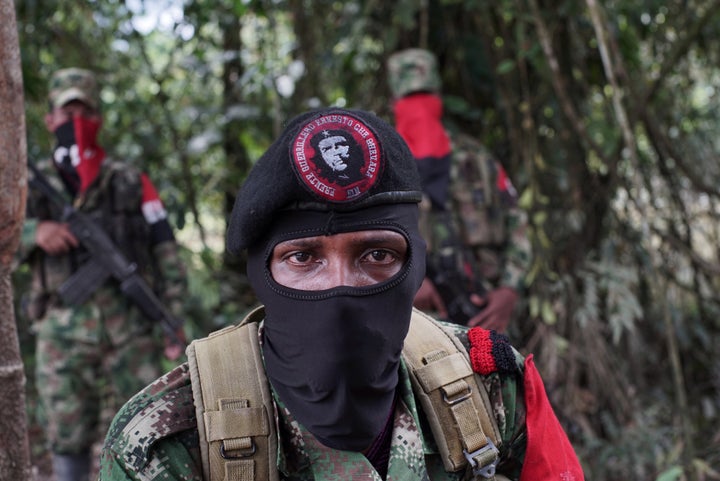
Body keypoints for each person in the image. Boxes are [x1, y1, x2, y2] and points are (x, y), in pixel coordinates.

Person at [98, 107, 583, 481]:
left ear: (415, 264)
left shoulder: (493, 388)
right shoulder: (165, 442)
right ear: (262, 271)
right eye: (303, 258)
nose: (340, 288)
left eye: (376, 256)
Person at [17, 68, 188, 481]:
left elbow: (165, 249)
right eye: (66, 110)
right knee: (66, 437)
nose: (76, 120)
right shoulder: (29, 184)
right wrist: (33, 232)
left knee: (145, 431)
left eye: (85, 110)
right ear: (49, 120)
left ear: (99, 117)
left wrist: (174, 320)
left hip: (130, 333)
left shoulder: (130, 180)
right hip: (61, 333)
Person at [387, 48, 532, 332]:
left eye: (425, 96)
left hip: (488, 311)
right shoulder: (382, 166)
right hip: (416, 326)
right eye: (408, 99)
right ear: (394, 103)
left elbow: (517, 223)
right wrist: (404, 282)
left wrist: (509, 290)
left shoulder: (477, 159)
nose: (418, 108)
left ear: (439, 99)